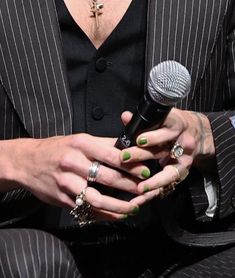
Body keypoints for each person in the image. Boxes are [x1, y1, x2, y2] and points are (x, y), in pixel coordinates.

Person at [0, 0, 234, 277]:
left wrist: (207, 134)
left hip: (186, 244)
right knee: (31, 262)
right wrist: (16, 161)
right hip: (22, 242)